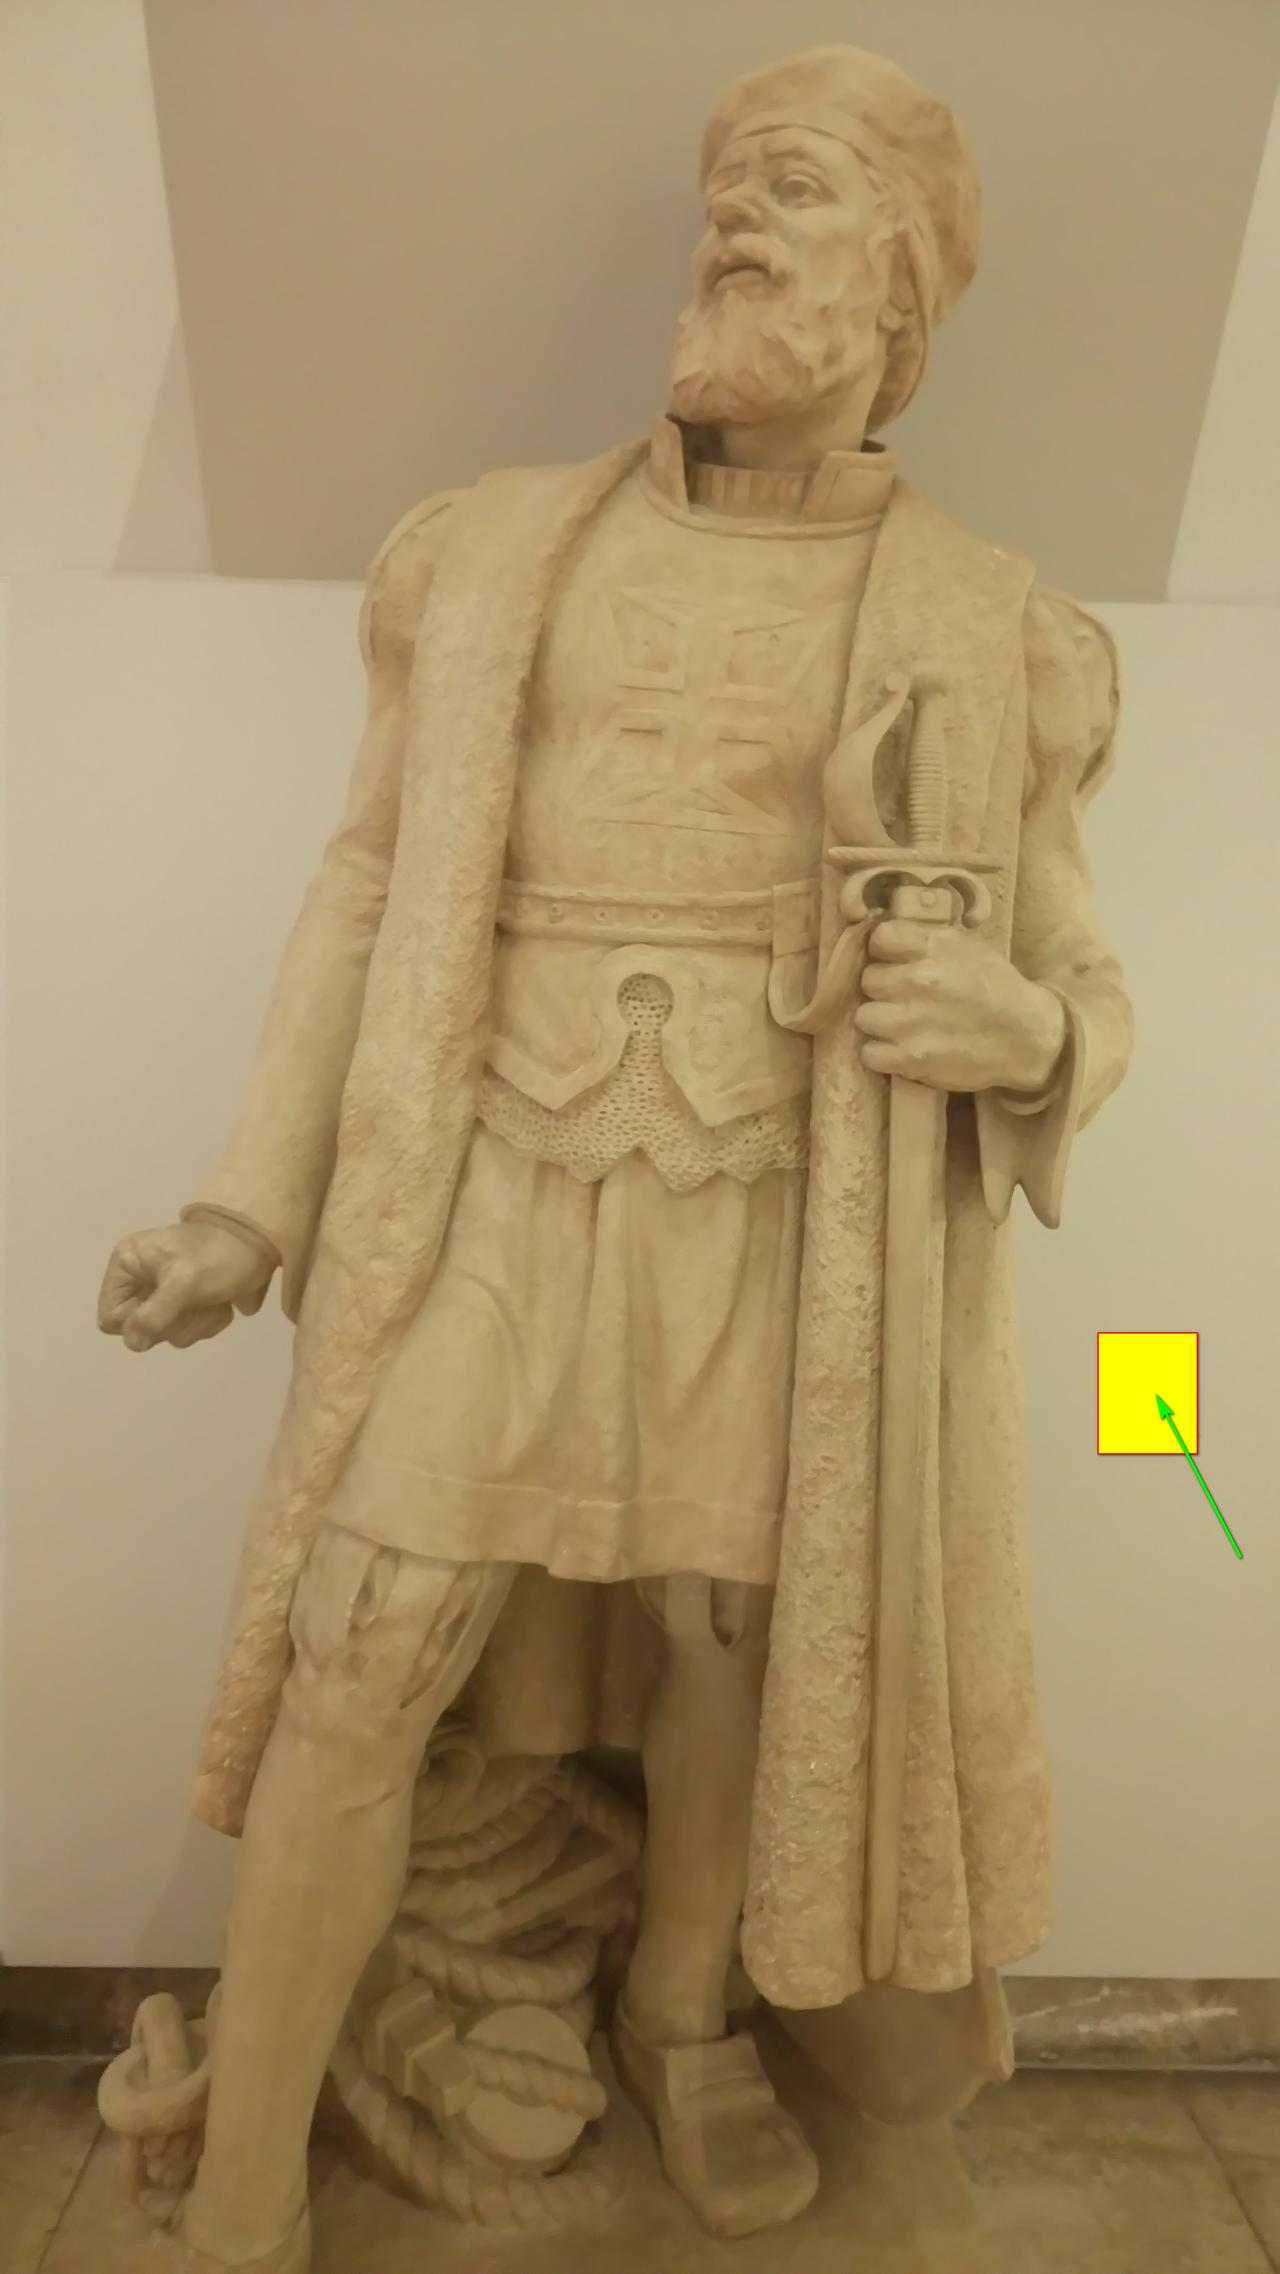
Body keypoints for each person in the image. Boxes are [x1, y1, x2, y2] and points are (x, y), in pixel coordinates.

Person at [98, 43, 1132, 2270]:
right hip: (496, 1187)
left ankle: (682, 2018)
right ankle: (246, 2172)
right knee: (363, 1633)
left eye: (793, 193)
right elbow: (364, 885)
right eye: (724, 194)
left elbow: (1078, 975)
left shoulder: (990, 624)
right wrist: (244, 1206)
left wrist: (1029, 1031)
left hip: (785, 1214)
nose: (730, 225)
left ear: (899, 299)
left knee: (734, 1638)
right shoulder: (493, 552)